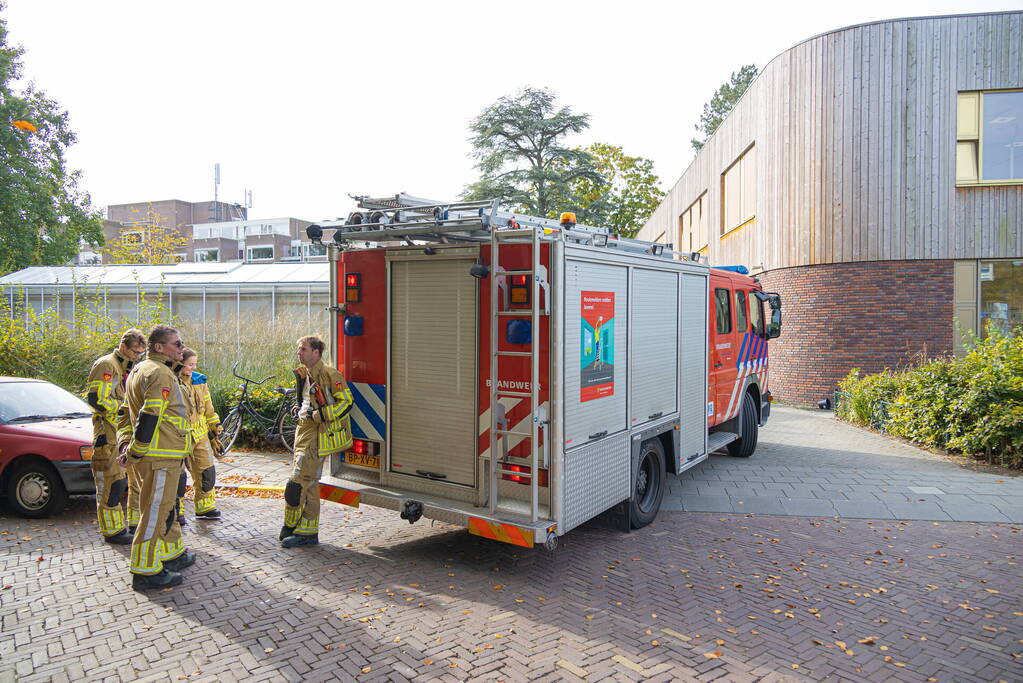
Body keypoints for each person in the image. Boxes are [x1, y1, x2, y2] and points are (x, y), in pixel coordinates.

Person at [116, 324, 195, 590]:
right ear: (159, 347)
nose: (182, 348)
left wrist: (125, 445)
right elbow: (149, 416)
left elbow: (124, 413)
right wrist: (135, 450)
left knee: (165, 509)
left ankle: (172, 554)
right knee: (154, 513)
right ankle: (145, 571)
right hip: (160, 457)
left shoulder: (142, 369)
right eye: (177, 344)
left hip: (160, 455)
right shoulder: (160, 373)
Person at [280, 335, 353, 548]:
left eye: (303, 349)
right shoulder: (304, 373)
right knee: (310, 484)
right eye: (298, 349)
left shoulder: (330, 374)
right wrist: (299, 409)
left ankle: (290, 526)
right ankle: (307, 532)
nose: (299, 353)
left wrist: (319, 415)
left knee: (296, 484)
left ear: (316, 352)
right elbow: (307, 400)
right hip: (303, 431)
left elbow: (346, 402)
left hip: (317, 434)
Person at [85, 329, 146, 544]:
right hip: (107, 435)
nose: (137, 356)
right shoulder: (107, 365)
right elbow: (96, 399)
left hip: (121, 434)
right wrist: (124, 408)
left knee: (124, 483)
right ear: (123, 347)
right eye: (135, 352)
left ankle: (127, 525)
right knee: (111, 485)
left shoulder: (127, 368)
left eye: (140, 353)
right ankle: (112, 531)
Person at [177, 348, 223, 521]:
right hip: (178, 436)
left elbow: (208, 408)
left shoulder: (200, 381)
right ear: (180, 363)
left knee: (206, 471)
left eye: (195, 364)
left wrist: (215, 426)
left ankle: (205, 507)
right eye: (190, 364)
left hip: (200, 434)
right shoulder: (171, 381)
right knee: (178, 476)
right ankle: (176, 510)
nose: (193, 368)